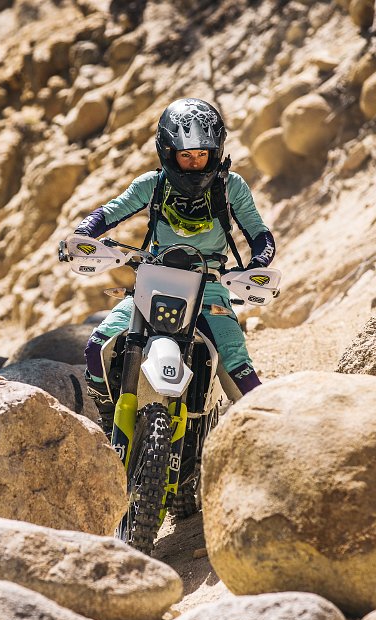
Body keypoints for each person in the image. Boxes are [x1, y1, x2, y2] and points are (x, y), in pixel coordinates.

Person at [72, 98, 276, 434]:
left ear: (216, 150)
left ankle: (268, 440)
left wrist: (255, 265)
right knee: (98, 347)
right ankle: (109, 422)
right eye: (186, 155)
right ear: (169, 152)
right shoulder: (153, 185)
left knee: (239, 369)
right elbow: (109, 212)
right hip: (154, 279)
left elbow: (259, 233)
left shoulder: (231, 187)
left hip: (210, 286)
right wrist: (83, 235)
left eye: (202, 154)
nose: (195, 163)